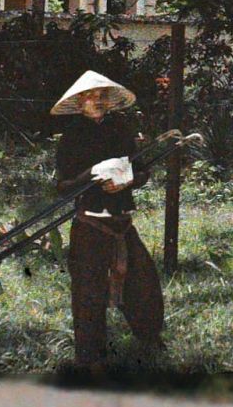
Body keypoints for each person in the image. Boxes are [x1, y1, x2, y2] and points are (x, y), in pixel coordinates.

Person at [50, 70, 165, 367]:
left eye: (101, 96)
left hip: (122, 223)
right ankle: (89, 359)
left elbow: (142, 171)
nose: (97, 101)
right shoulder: (72, 137)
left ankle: (150, 342)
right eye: (90, 96)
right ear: (79, 102)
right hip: (90, 223)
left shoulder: (120, 129)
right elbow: (62, 188)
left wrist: (127, 182)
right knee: (89, 294)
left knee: (144, 283)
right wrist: (90, 176)